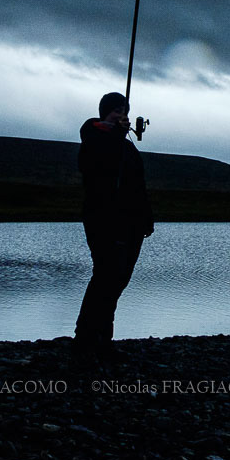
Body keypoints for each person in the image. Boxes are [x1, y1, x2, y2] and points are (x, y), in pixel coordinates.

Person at [73, 92, 154, 362]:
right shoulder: (94, 138)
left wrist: (146, 218)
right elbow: (96, 166)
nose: (122, 116)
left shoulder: (126, 146)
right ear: (104, 113)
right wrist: (114, 135)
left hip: (132, 223)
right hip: (104, 219)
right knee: (105, 276)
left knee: (118, 280)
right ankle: (85, 339)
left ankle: (103, 339)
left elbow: (137, 185)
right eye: (116, 111)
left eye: (125, 111)